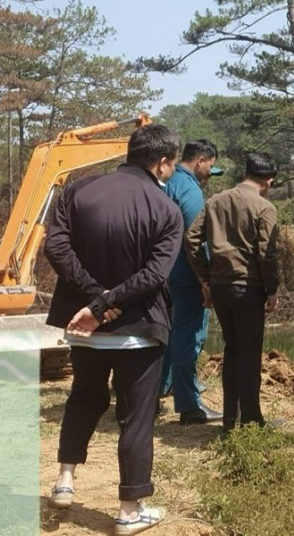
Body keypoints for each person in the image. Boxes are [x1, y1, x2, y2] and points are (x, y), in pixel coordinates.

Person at [44, 123, 184, 536]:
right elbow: (156, 274)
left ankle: (65, 481)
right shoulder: (166, 210)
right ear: (161, 163)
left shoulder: (77, 190)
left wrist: (92, 300)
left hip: (85, 327)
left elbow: (56, 247)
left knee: (83, 398)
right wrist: (105, 302)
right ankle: (129, 511)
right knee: (136, 417)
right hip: (139, 328)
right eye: (172, 165)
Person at [185, 152, 280, 431]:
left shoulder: (215, 201)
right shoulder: (265, 208)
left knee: (232, 351)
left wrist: (205, 277)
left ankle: (229, 419)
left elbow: (191, 239)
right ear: (269, 181)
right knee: (249, 356)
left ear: (245, 173)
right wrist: (271, 289)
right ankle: (251, 422)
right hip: (247, 289)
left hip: (220, 287)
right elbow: (266, 253)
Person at [157, 139, 224, 425]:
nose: (210, 174)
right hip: (187, 275)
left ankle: (159, 390)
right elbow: (194, 240)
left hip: (167, 273)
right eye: (210, 167)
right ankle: (189, 406)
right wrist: (205, 279)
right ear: (200, 161)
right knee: (189, 337)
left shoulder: (168, 183)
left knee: (173, 335)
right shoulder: (190, 191)